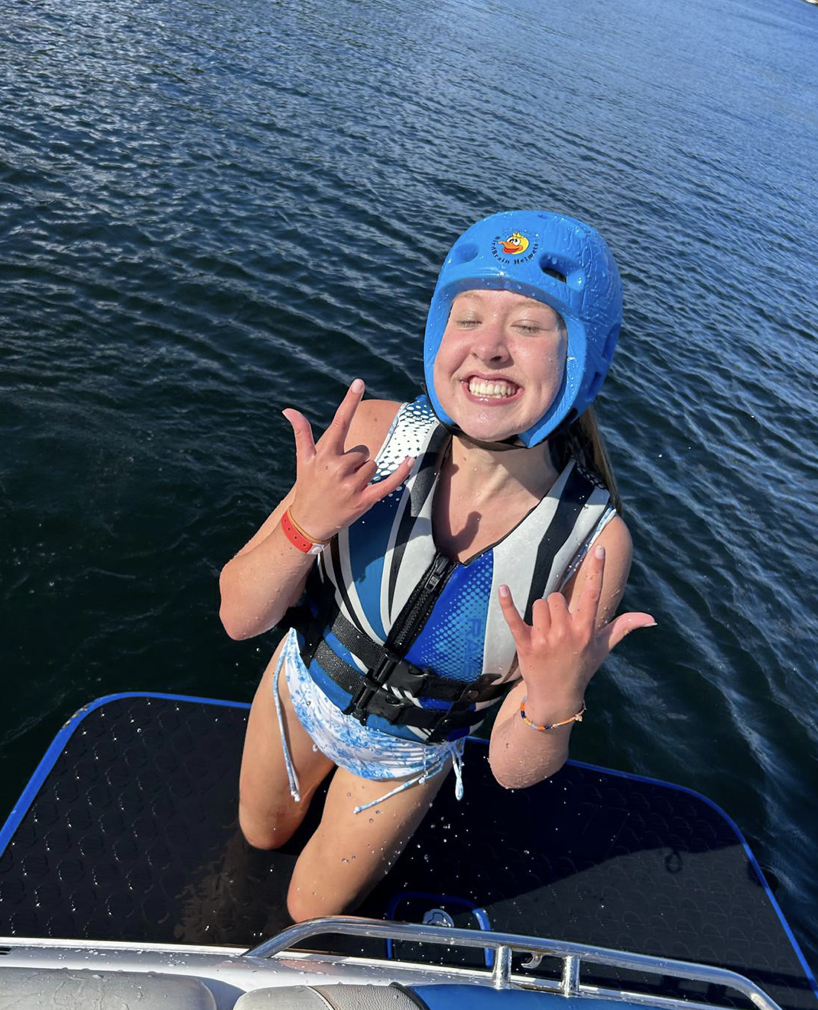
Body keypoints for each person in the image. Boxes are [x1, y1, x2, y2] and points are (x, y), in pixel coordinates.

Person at [218, 210, 655, 923]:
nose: (488, 348)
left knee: (308, 912)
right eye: (469, 316)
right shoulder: (372, 435)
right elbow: (239, 617)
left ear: (582, 357)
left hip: (401, 755)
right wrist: (304, 527)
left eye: (530, 326)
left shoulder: (590, 546)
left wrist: (551, 701)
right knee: (258, 834)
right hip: (300, 686)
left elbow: (514, 770)